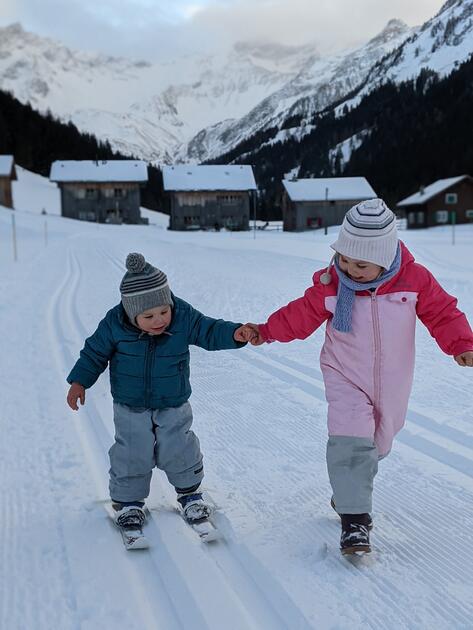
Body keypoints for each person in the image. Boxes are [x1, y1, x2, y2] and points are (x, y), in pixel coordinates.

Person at [245, 199, 473, 555]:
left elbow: (443, 313)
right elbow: (300, 315)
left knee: (377, 443)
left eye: (360, 264)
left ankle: (348, 490)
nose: (349, 270)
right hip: (344, 373)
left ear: (385, 256)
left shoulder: (415, 280)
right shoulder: (332, 283)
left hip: (392, 380)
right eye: (344, 259)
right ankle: (355, 521)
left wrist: (461, 343)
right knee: (351, 440)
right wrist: (265, 331)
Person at [67, 252, 254, 532]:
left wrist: (234, 333)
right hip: (130, 404)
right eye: (149, 316)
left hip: (173, 400)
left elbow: (208, 329)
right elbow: (94, 353)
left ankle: (189, 493)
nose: (159, 321)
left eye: (164, 311)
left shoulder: (182, 317)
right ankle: (129, 503)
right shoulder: (114, 324)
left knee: (178, 445)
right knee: (132, 450)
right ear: (132, 313)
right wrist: (80, 381)